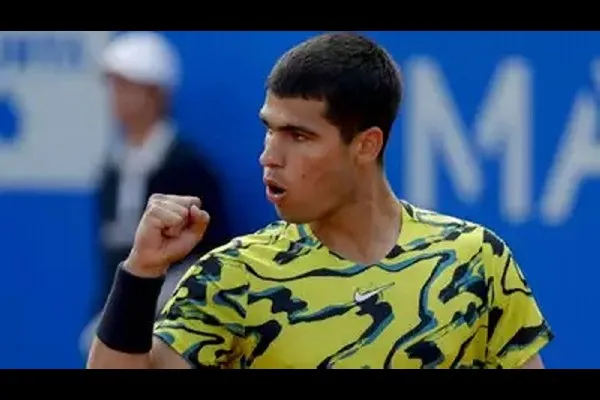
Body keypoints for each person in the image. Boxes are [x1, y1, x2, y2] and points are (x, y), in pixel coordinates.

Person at [87, 32, 553, 369]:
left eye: (298, 135)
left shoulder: (475, 260)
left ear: (366, 145)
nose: (269, 156)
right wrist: (141, 272)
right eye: (270, 129)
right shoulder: (233, 277)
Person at [82, 32, 232, 355]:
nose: (115, 96)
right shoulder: (111, 169)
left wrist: (153, 301)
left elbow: (211, 254)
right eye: (113, 85)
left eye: (126, 86)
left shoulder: (188, 167)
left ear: (155, 93)